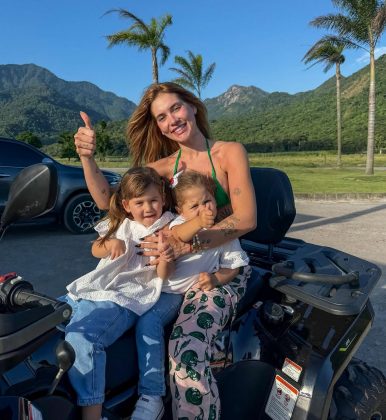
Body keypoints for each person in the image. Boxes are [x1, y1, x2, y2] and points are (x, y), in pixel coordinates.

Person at [74, 82, 257, 419]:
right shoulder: (163, 167)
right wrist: (87, 159)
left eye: (175, 108)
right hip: (168, 275)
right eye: (161, 117)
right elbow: (109, 201)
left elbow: (246, 219)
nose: (171, 119)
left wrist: (185, 243)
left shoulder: (229, 152)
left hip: (215, 271)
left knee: (187, 350)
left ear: (192, 106)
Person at [63, 167, 182, 420]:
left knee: (83, 338)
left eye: (153, 200)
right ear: (127, 205)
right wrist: (109, 243)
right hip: (94, 288)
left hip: (127, 296)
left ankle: (92, 412)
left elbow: (163, 275)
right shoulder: (121, 223)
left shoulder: (168, 226)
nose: (148, 208)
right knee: (43, 323)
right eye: (140, 202)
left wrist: (166, 256)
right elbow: (96, 248)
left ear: (162, 197)